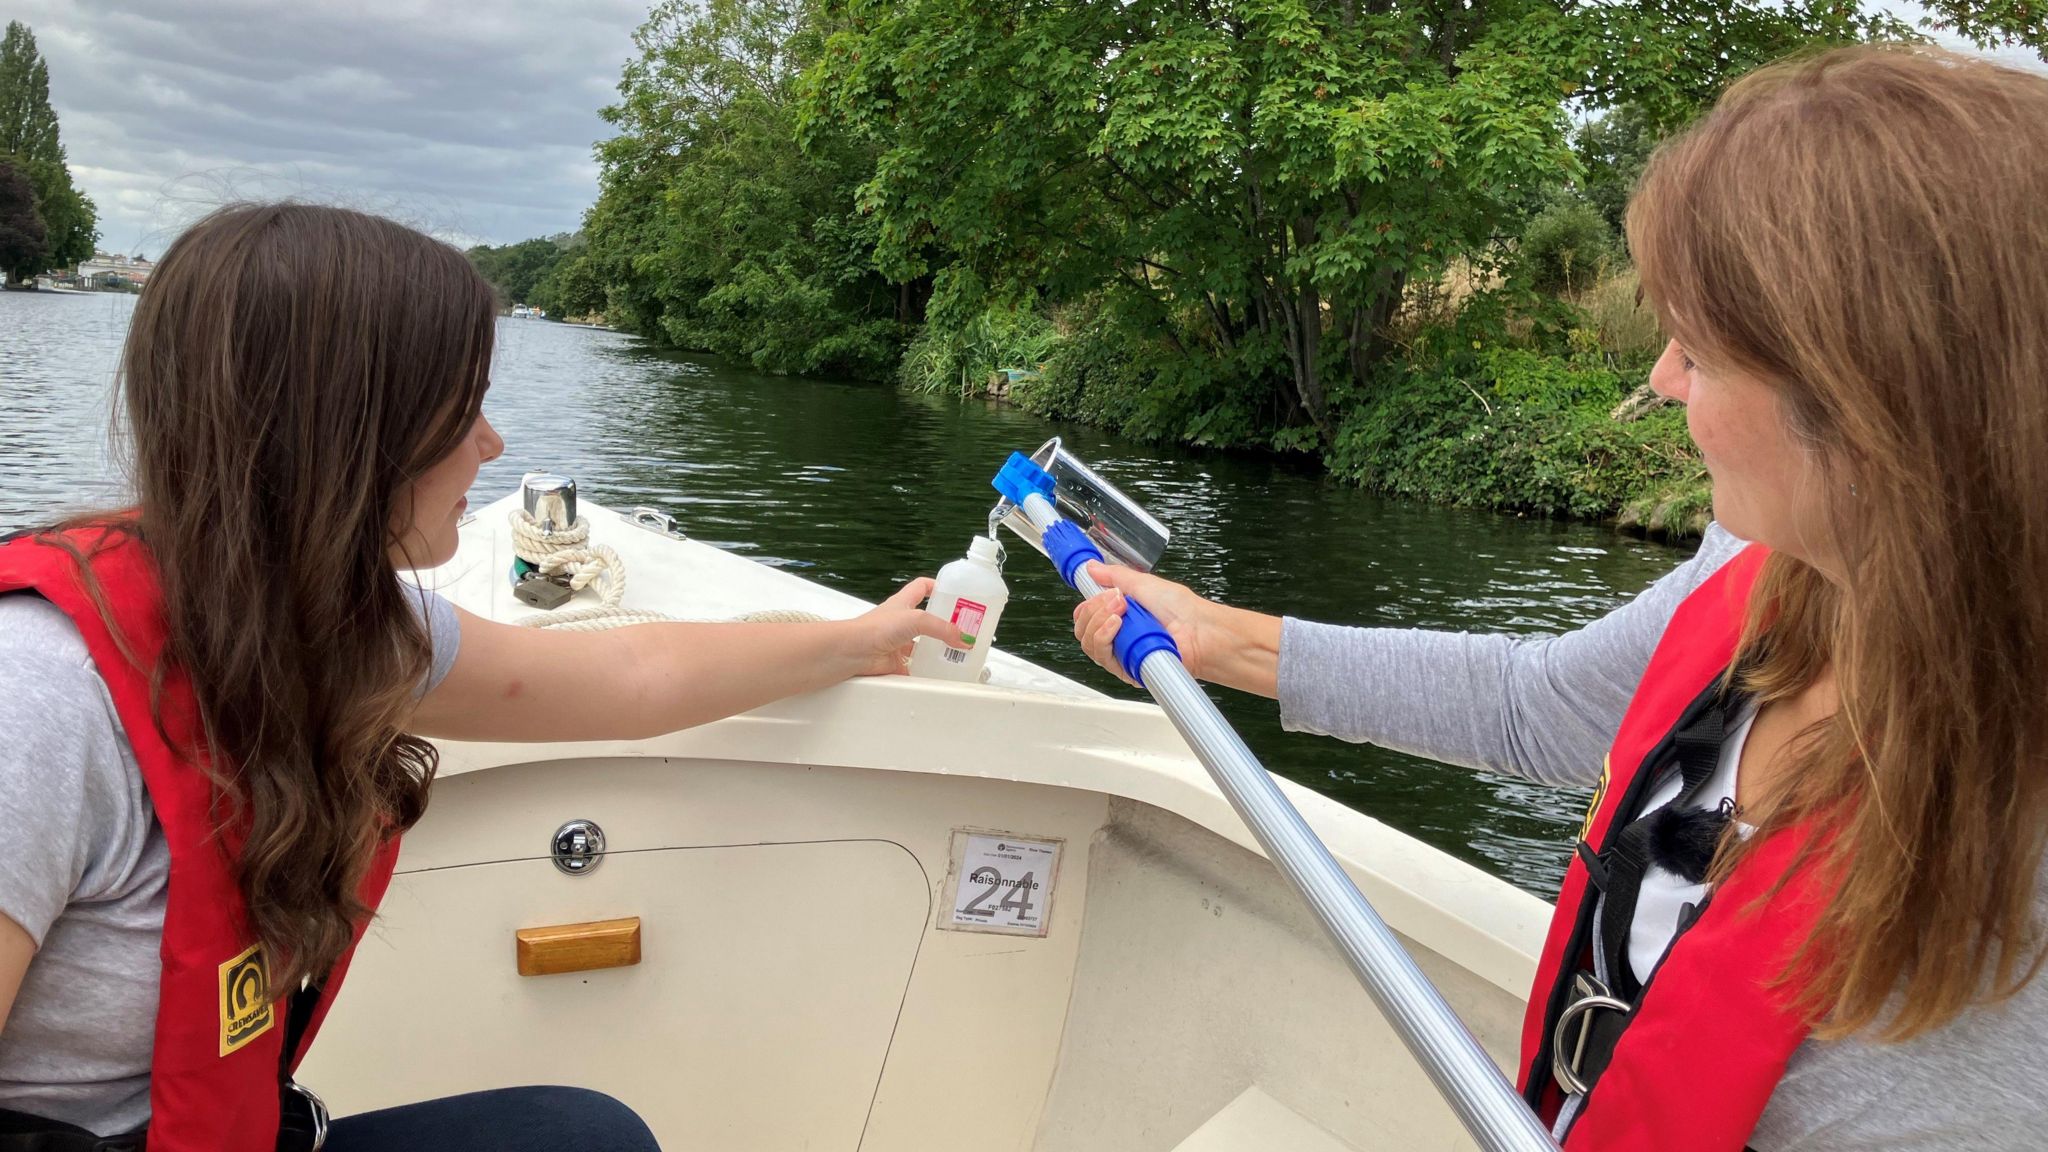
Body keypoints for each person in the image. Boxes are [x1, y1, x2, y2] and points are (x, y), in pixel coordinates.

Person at [1072, 45, 2048, 1150]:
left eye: (1700, 350)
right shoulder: (1756, 569)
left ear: (1872, 403)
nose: (1660, 378)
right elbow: (1532, 707)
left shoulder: (2008, 932)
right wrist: (1214, 639)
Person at [0, 204, 968, 1152]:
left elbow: (629, 676)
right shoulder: (40, 695)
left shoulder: (324, 629)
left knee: (579, 1135)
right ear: (347, 431)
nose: (493, 443)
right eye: (462, 406)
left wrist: (853, 642)